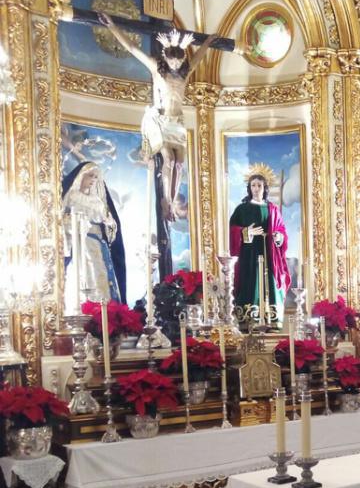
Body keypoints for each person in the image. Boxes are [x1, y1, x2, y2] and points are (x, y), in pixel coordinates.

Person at [100, 16, 219, 223]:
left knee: (180, 164)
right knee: (170, 160)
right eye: (172, 60)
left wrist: (208, 41)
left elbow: (199, 55)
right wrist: (113, 26)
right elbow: (132, 49)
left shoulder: (185, 72)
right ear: (166, 56)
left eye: (179, 60)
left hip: (178, 122)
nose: (175, 63)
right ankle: (166, 200)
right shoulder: (157, 68)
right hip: (162, 122)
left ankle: (172, 201)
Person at [229, 174, 290, 328]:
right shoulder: (241, 209)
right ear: (249, 188)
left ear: (265, 188)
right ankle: (249, 320)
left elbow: (281, 229)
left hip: (269, 254)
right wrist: (246, 232)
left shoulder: (273, 209)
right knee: (250, 282)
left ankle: (272, 320)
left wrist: (279, 237)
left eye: (259, 186)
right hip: (249, 255)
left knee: (270, 282)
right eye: (253, 186)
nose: (256, 189)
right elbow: (232, 230)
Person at [61, 162, 125, 304]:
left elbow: (110, 225)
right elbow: (61, 220)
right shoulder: (71, 196)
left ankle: (104, 313)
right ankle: (87, 309)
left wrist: (110, 224)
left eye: (96, 177)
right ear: (80, 177)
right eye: (90, 176)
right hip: (81, 244)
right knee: (86, 277)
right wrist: (77, 223)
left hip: (99, 244)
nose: (93, 180)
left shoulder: (97, 201)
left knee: (102, 277)